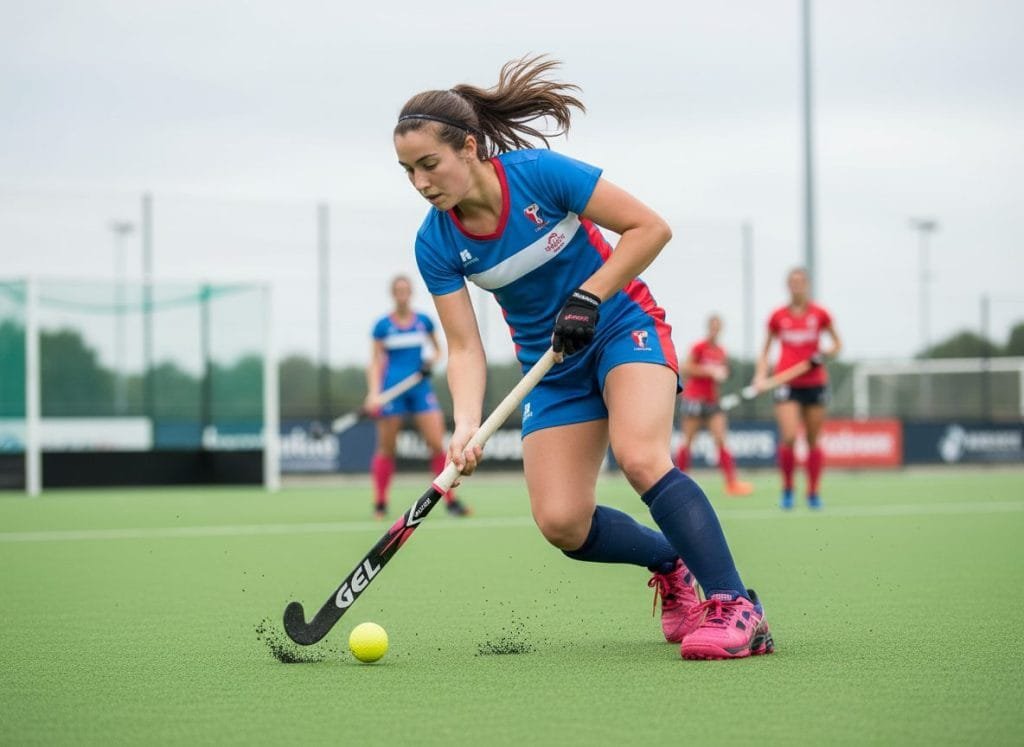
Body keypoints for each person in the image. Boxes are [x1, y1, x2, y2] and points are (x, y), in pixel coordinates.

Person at [393, 55, 773, 660]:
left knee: (641, 456)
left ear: (469, 147)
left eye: (429, 164)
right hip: (553, 370)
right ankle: (669, 560)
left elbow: (649, 228)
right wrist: (466, 425)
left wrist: (590, 295)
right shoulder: (435, 243)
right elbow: (465, 345)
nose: (421, 182)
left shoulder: (540, 175)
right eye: (408, 171)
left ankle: (736, 606)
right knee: (562, 522)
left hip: (623, 326)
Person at [367, 274, 471, 519]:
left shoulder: (424, 321)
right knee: (387, 448)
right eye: (398, 290)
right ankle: (380, 503)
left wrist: (429, 363)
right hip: (392, 390)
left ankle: (450, 501)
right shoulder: (382, 326)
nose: (402, 294)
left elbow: (438, 351)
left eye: (406, 290)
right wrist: (374, 393)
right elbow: (374, 362)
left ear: (410, 293)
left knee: (437, 444)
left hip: (420, 388)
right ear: (393, 294)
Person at [754, 268, 842, 510]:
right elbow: (764, 351)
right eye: (792, 282)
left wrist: (825, 353)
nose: (796, 286)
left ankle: (813, 492)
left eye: (801, 282)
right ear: (787, 286)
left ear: (808, 285)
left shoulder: (820, 314)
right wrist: (760, 376)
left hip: (815, 383)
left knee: (813, 440)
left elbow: (837, 344)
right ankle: (788, 490)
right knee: (790, 437)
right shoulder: (778, 316)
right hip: (786, 383)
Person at [676, 314, 754, 496]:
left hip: (712, 401)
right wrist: (709, 371)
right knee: (687, 441)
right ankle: (679, 484)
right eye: (712, 326)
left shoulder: (721, 351)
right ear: (708, 328)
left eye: (718, 327)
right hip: (694, 400)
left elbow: (722, 373)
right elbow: (686, 368)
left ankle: (732, 483)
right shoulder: (699, 347)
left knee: (721, 440)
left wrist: (722, 373)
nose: (715, 330)